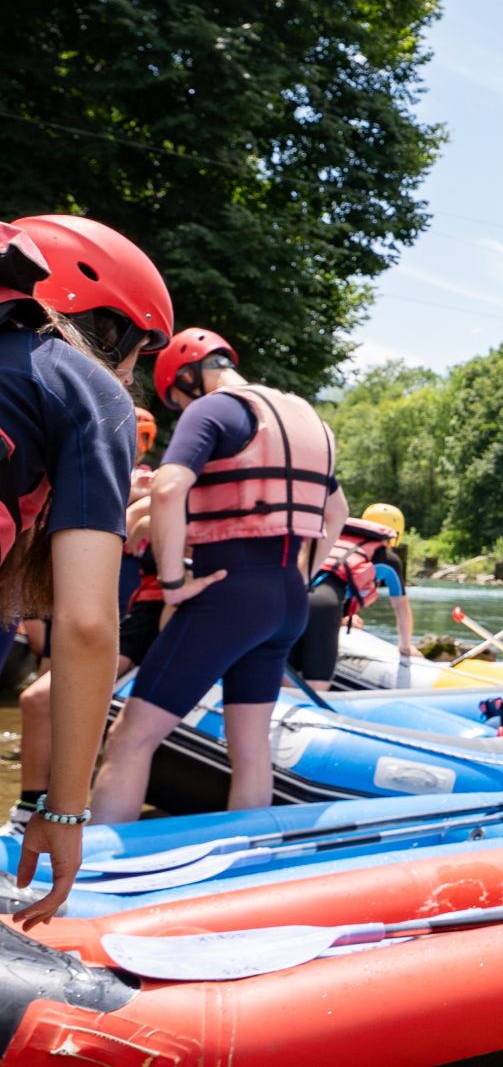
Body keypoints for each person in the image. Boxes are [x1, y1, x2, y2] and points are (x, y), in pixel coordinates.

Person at [91, 327, 338, 821]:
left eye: (179, 400)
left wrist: (174, 583)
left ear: (189, 374)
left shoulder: (214, 409)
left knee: (130, 738)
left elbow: (167, 490)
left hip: (226, 595)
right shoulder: (308, 418)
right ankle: (245, 861)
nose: (183, 410)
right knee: (249, 749)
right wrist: (299, 577)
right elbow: (335, 515)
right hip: (288, 597)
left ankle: (95, 872)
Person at [0, 217, 171, 925]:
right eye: (134, 356)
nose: (131, 378)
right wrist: (64, 811)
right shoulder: (82, 388)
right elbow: (86, 623)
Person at [9, 403, 162, 837]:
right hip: (83, 609)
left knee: (41, 700)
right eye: (138, 437)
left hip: (127, 622)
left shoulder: (154, 489)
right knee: (42, 697)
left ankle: (51, 811)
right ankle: (35, 804)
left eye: (146, 439)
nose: (139, 449)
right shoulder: (85, 474)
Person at [292, 501, 417, 689]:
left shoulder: (332, 539)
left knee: (288, 681)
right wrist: (406, 647)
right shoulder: (388, 559)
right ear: (395, 534)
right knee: (316, 688)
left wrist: (342, 617)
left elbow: (321, 579)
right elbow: (402, 610)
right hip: (324, 607)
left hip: (292, 601)